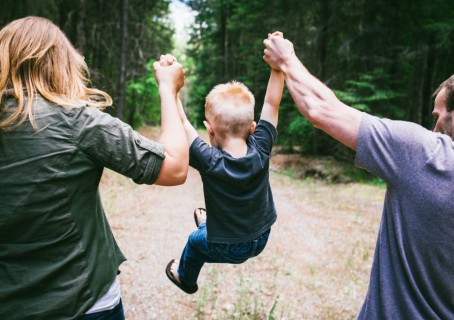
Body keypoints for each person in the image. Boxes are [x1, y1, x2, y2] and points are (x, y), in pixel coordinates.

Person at [263, 33, 454, 319]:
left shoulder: (428, 154)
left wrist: (286, 59)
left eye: (438, 115)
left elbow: (320, 109)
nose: (435, 127)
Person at [0, 16, 189, 320]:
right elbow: (175, 167)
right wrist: (168, 90)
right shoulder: (77, 121)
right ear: (59, 63)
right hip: (85, 305)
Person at [164, 33, 285, 294]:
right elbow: (272, 103)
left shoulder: (208, 160)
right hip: (262, 236)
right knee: (208, 224)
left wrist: (171, 89)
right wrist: (278, 67)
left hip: (228, 244)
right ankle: (210, 223)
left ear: (209, 130)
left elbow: (184, 126)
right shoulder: (261, 146)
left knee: (195, 243)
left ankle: (185, 277)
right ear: (253, 128)